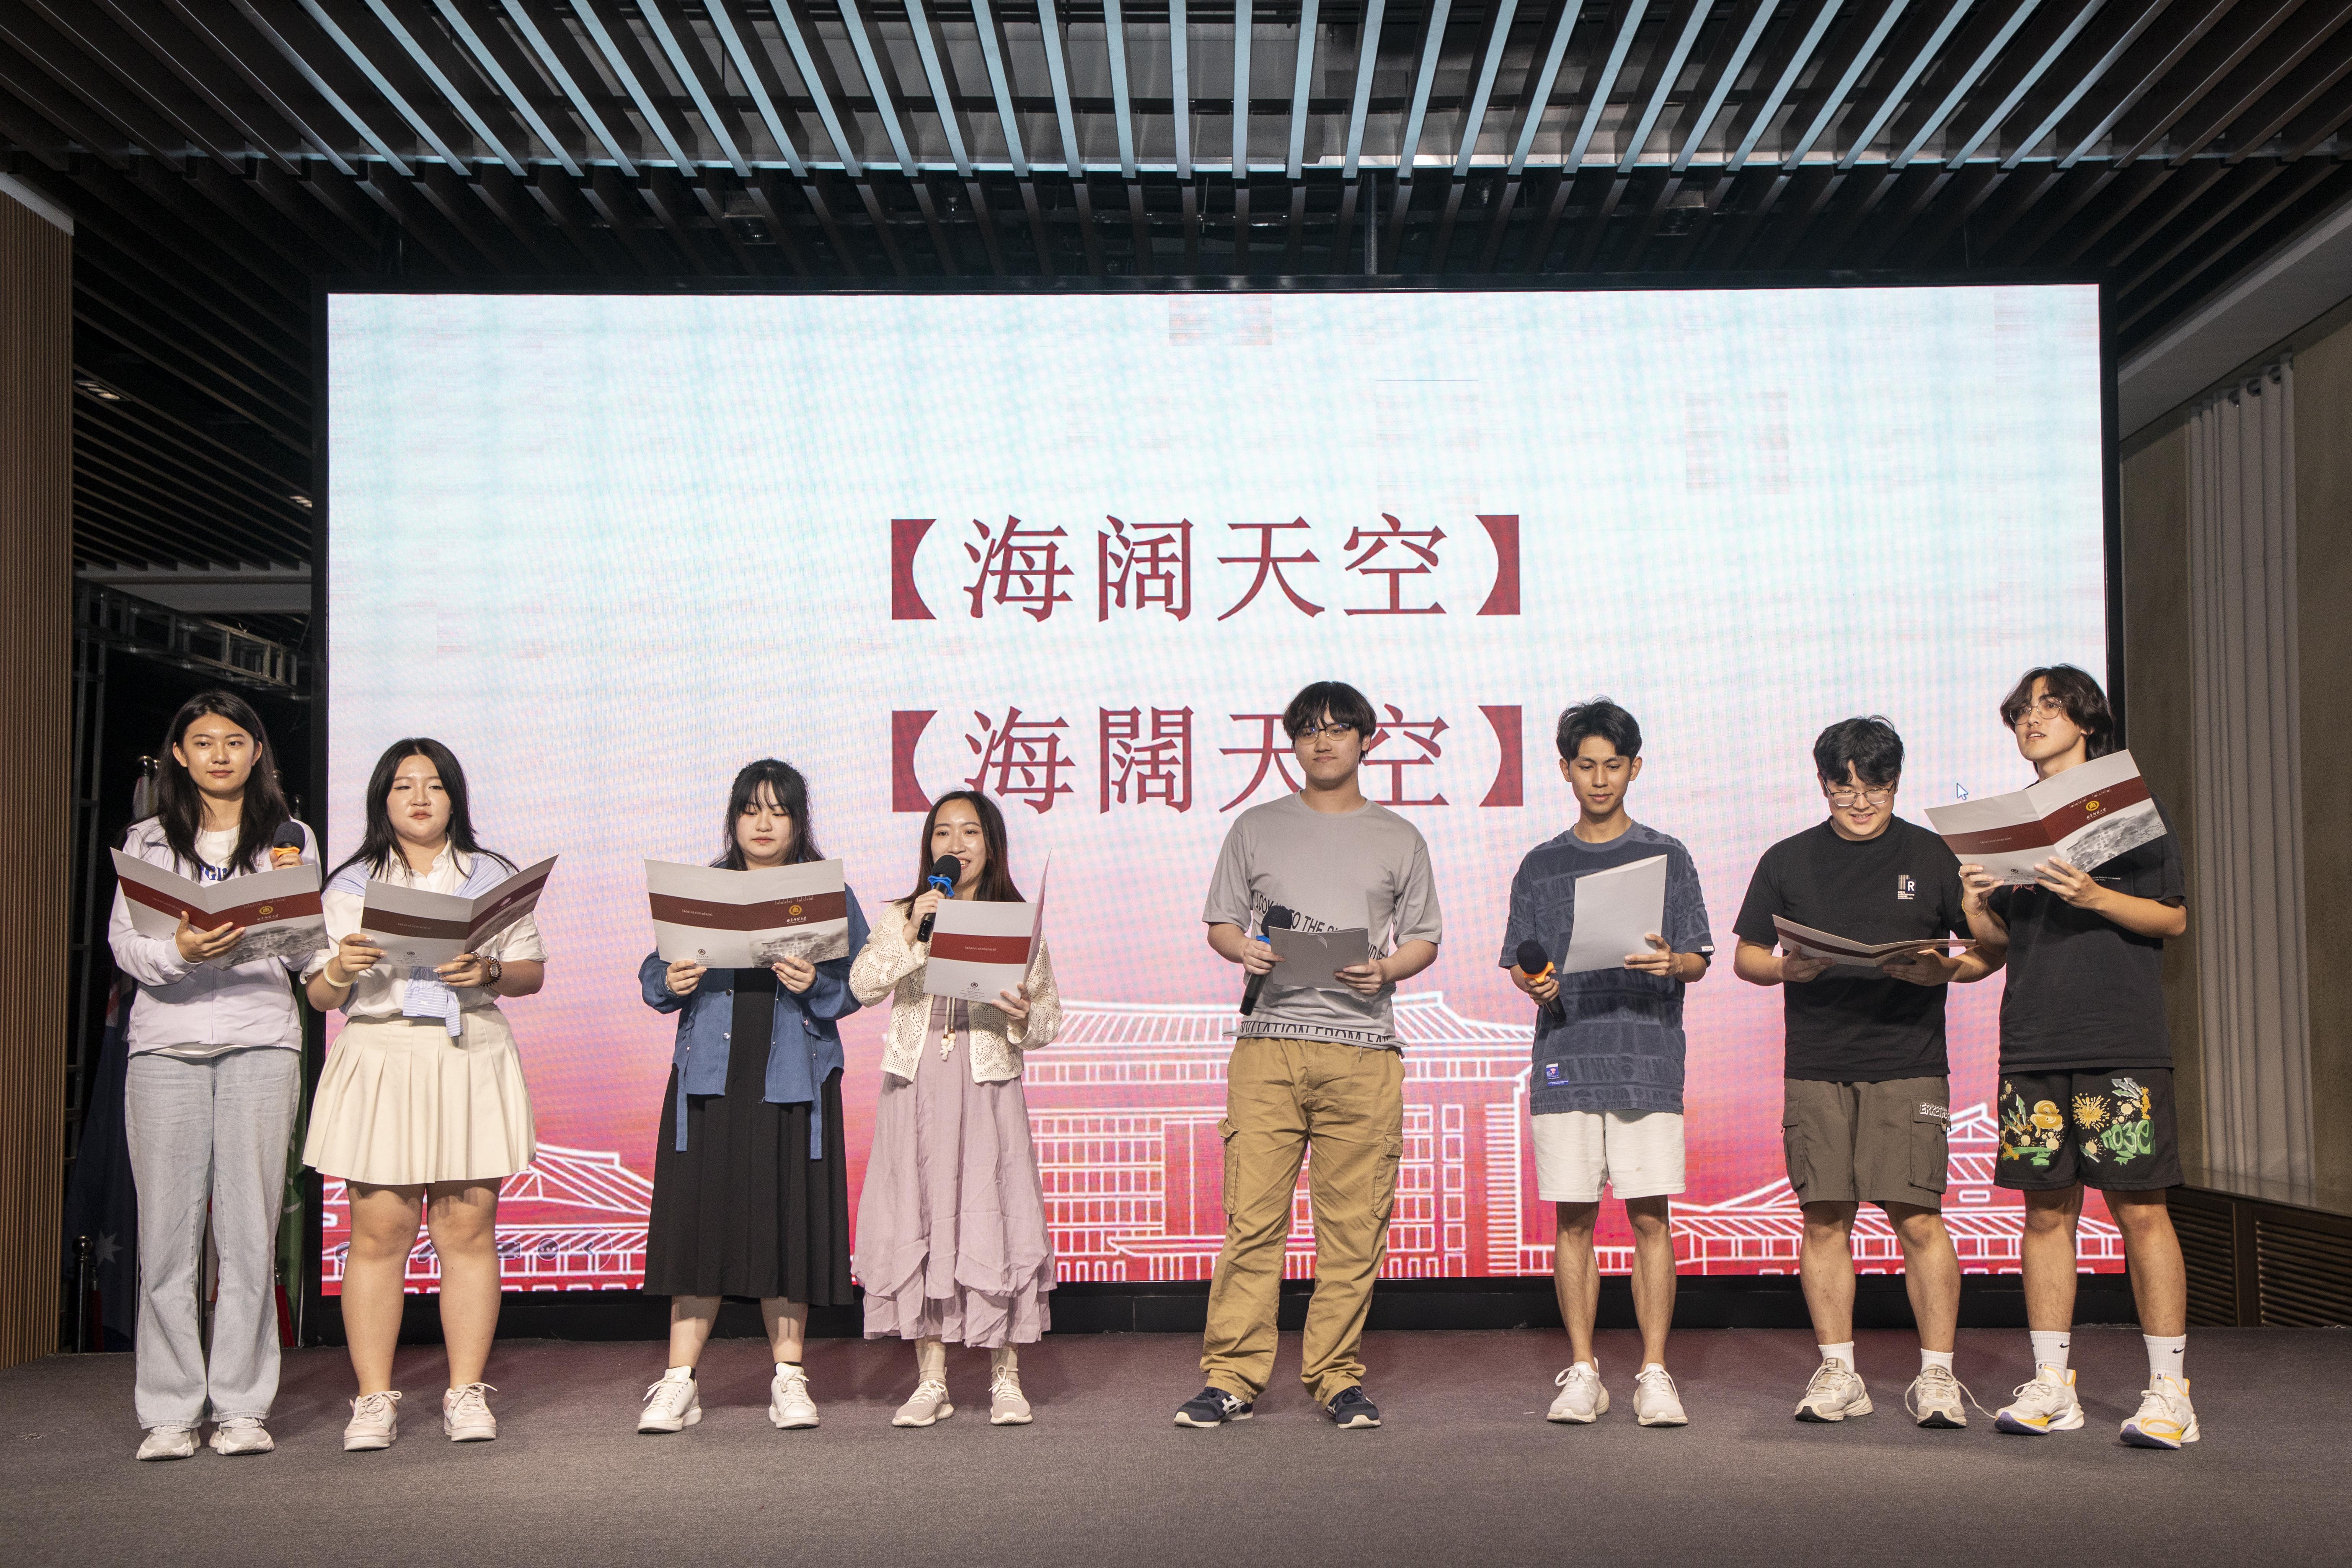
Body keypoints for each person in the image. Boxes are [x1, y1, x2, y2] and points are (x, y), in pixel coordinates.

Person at [1175, 680, 1443, 1432]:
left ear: (1366, 739)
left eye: (1337, 728)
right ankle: (1230, 1378)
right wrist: (1246, 949)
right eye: (1307, 730)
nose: (1322, 742)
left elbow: (1424, 937)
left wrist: (1385, 969)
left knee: (1354, 1228)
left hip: (1364, 1049)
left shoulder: (1399, 837)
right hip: (1268, 1045)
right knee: (1252, 1221)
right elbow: (1221, 923)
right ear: (1292, 744)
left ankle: (1336, 1377)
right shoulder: (1256, 827)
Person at [1731, 716, 2003, 1429]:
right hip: (1816, 1063)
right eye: (1842, 787)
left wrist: (1944, 969)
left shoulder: (1932, 853)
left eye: (1874, 787)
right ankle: (1838, 1371)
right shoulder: (1787, 858)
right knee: (1824, 1216)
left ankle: (1938, 1376)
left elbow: (1988, 951)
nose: (1859, 801)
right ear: (1822, 782)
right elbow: (1746, 957)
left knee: (1918, 1217)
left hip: (1907, 1060)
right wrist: (1785, 968)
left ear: (1895, 781)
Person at [1961, 667, 2197, 1448]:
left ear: (2086, 721)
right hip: (2033, 1038)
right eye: (2021, 711)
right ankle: (2051, 1383)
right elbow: (1998, 945)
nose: (2031, 720)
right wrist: (1974, 905)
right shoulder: (2011, 823)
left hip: (2118, 1037)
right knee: (2044, 1210)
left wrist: (2094, 896)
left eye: (2049, 706)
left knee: (2139, 1207)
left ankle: (2170, 1392)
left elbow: (2171, 919)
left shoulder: (2127, 809)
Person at [302, 739, 547, 1451]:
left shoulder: (490, 874)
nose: (419, 797)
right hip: (383, 1052)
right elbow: (319, 995)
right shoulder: (350, 884)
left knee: (466, 1230)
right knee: (380, 1232)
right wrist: (342, 968)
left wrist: (489, 970)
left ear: (454, 798)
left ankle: (465, 1391)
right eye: (403, 785)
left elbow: (530, 972)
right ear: (382, 798)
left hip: (467, 1049)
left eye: (434, 785)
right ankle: (373, 1399)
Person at [108, 691, 320, 1461]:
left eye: (234, 740)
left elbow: (307, 947)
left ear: (257, 752)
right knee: (167, 1237)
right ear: (179, 754)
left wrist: (300, 942)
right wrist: (181, 952)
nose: (220, 754)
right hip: (165, 1049)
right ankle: (169, 1409)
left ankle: (240, 1405)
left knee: (248, 1232)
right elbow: (127, 947)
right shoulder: (147, 840)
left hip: (260, 1043)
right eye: (203, 742)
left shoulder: (289, 836)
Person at [634, 761, 869, 1435]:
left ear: (799, 820)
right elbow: (653, 975)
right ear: (733, 818)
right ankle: (679, 1381)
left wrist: (813, 984)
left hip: (793, 1075)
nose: (763, 823)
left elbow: (856, 985)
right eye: (750, 809)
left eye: (779, 810)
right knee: (698, 1222)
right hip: (710, 1074)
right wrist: (673, 979)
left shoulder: (827, 893)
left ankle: (789, 1377)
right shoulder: (703, 890)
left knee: (785, 1220)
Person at [1501, 698, 1711, 1428]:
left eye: (1612, 765)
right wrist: (1535, 983)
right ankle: (1583, 1371)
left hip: (1645, 1057)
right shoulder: (1541, 863)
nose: (1599, 779)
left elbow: (1697, 958)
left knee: (1651, 1216)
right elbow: (1520, 959)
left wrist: (1673, 961)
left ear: (1634, 768)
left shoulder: (1668, 855)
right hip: (1566, 1057)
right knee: (1574, 1219)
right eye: (1586, 765)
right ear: (1565, 769)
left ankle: (1654, 1371)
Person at [850, 790, 1061, 1428]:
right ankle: (931, 1379)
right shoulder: (903, 915)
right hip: (915, 1085)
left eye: (970, 832)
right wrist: (912, 932)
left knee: (993, 1214)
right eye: (943, 832)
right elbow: (862, 985)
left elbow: (1048, 1020)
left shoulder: (1014, 922)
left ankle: (1005, 1376)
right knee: (919, 1216)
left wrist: (1022, 1014)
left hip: (986, 1083)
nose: (956, 844)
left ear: (991, 846)